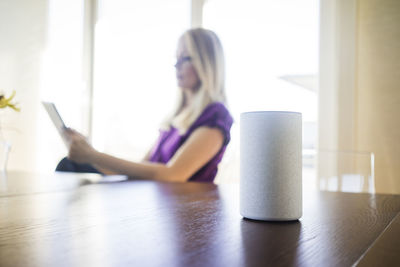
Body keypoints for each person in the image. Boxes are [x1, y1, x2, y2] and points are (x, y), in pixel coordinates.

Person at [56, 28, 233, 183]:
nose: (176, 65)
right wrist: (87, 154)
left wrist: (93, 155)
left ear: (206, 64)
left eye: (185, 58)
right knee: (70, 164)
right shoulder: (177, 118)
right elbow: (142, 168)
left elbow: (172, 175)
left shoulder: (216, 115)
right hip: (156, 201)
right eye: (176, 58)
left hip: (184, 210)